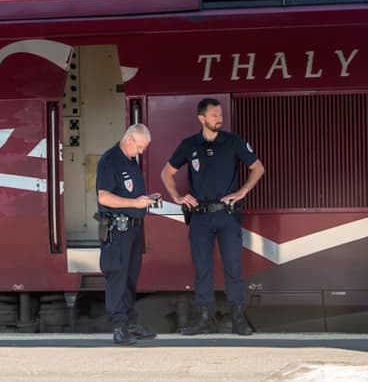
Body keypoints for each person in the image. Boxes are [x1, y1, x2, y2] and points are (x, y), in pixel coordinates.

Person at [160, 98, 264, 336]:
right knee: (202, 269)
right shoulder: (189, 145)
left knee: (233, 268)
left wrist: (243, 191)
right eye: (215, 115)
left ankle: (239, 320)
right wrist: (177, 196)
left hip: (227, 215)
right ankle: (204, 319)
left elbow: (258, 168)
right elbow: (166, 173)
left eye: (220, 114)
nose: (220, 118)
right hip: (200, 217)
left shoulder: (233, 141)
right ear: (202, 119)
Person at [96, 123, 160, 345]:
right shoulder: (110, 160)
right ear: (130, 139)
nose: (141, 152)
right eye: (140, 147)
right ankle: (119, 327)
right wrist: (135, 202)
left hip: (133, 228)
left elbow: (130, 194)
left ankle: (130, 324)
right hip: (117, 229)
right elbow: (103, 197)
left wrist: (146, 199)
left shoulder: (131, 161)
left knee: (130, 278)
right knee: (117, 276)